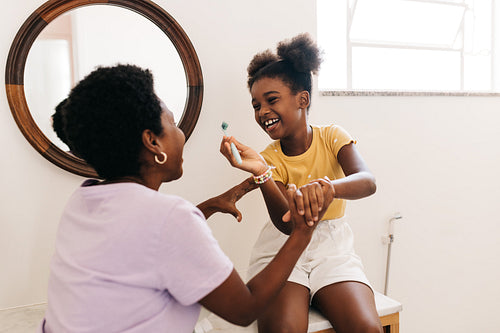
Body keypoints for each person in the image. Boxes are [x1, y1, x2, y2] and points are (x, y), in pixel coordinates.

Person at [38, 64, 335, 333]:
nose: (180, 135)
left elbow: (139, 239)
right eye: (173, 124)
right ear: (153, 142)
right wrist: (301, 231)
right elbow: (245, 308)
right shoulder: (170, 217)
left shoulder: (81, 202)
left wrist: (206, 207)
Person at [220, 33, 382, 333]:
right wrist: (262, 174)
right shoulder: (268, 158)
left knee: (366, 327)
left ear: (302, 99)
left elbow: (367, 182)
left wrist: (329, 188)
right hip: (284, 249)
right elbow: (287, 225)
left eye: (271, 100)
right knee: (284, 329)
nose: (262, 112)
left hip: (332, 248)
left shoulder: (332, 136)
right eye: (256, 105)